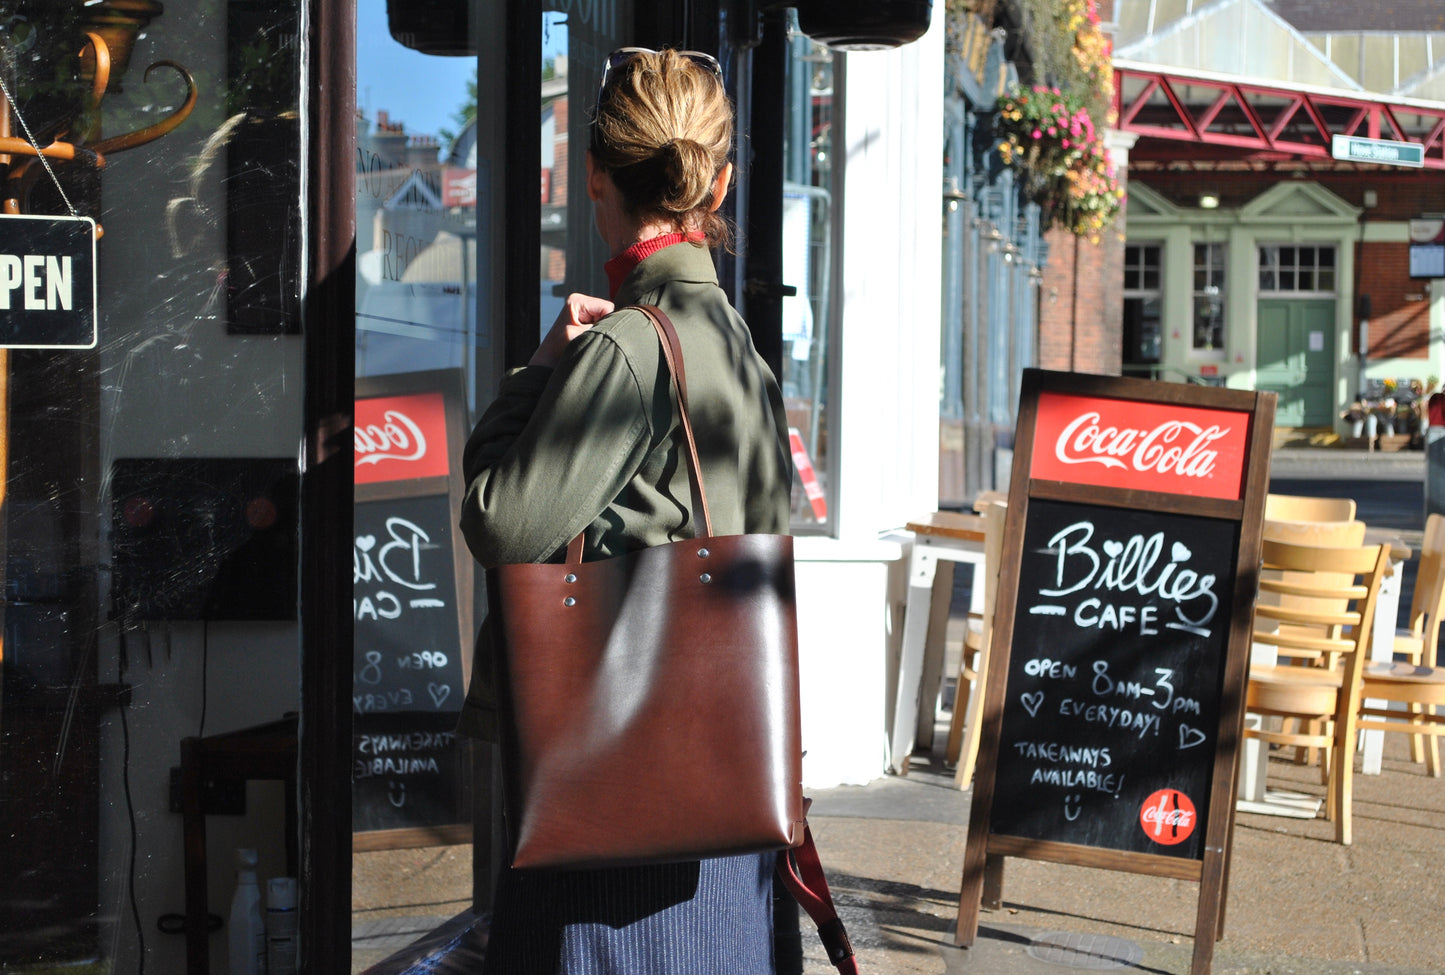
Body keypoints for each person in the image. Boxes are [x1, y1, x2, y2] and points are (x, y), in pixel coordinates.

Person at [456, 48, 794, 974]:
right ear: (718, 182)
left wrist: (538, 370)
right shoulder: (741, 350)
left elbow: (497, 519)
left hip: (619, 817)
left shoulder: (628, 347)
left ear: (595, 175)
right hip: (721, 805)